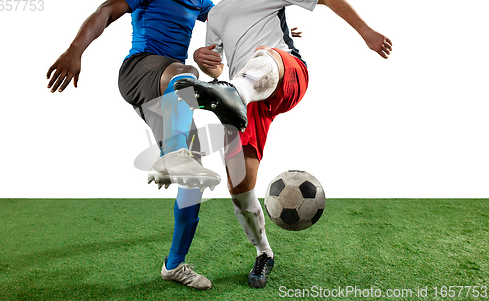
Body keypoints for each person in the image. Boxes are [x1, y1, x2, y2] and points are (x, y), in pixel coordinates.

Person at [175, 0, 392, 288]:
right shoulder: (214, 14)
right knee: (238, 184)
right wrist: (206, 62)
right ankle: (264, 253)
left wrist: (365, 31)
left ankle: (233, 93)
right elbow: (217, 71)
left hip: (285, 73)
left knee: (266, 53)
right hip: (243, 101)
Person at [46, 0, 221, 290]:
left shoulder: (201, 1)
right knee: (186, 73)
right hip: (140, 72)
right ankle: (173, 154)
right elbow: (105, 11)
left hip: (172, 94)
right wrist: (75, 50)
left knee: (193, 177)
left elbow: (230, 18)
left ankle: (174, 264)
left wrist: (268, 32)